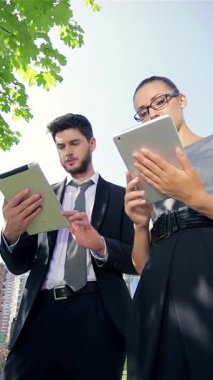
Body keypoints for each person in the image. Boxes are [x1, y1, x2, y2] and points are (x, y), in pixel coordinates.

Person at [0, 113, 136, 380]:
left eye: (74, 143)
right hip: (40, 314)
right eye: (61, 146)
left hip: (99, 315)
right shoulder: (39, 196)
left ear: (92, 143)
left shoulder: (122, 196)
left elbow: (136, 259)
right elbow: (18, 266)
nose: (67, 152)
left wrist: (100, 245)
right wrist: (11, 233)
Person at [124, 76, 213, 380]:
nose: (152, 113)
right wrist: (139, 225)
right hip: (155, 295)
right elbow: (139, 265)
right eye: (143, 111)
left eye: (159, 101)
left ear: (182, 100)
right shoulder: (149, 173)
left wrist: (196, 198)